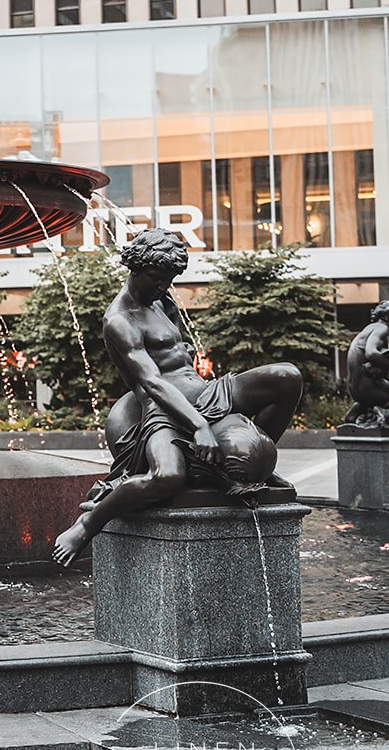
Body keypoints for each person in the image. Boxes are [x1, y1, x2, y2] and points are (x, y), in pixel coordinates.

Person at [53, 228, 299, 567]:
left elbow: (181, 359)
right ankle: (87, 525)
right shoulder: (119, 320)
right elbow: (152, 382)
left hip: (208, 393)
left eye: (168, 279)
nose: (163, 286)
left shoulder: (161, 301)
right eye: (157, 278)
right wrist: (198, 426)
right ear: (135, 268)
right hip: (164, 412)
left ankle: (245, 472)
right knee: (166, 477)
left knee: (287, 377)